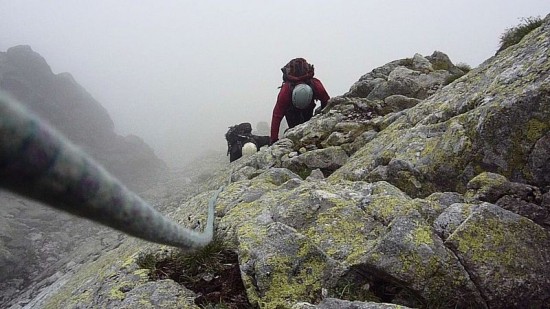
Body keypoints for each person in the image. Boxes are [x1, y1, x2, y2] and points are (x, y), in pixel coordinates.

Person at [270, 58, 330, 144]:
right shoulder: (286, 92)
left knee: (297, 129)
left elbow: (277, 115)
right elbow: (327, 102)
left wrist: (273, 140)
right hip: (300, 110)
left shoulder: (315, 87)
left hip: (295, 112)